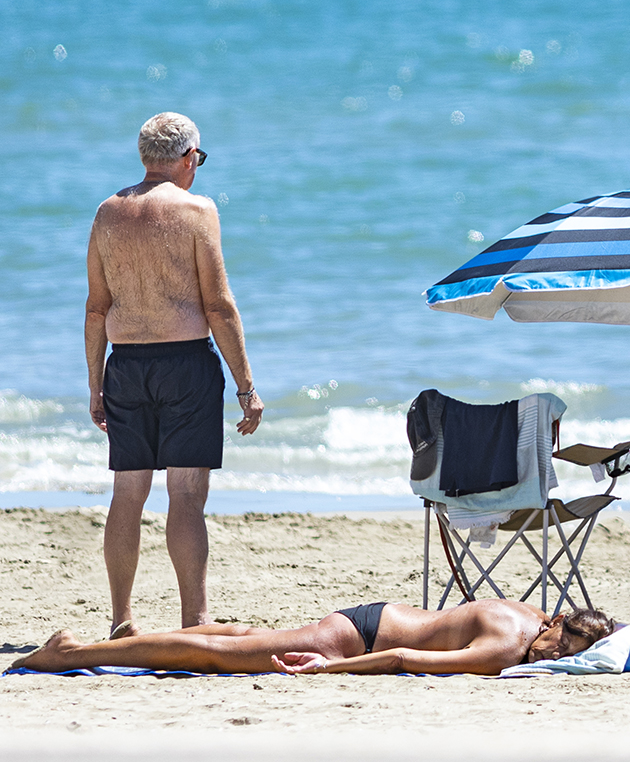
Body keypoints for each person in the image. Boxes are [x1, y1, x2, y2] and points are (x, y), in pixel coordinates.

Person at [85, 112, 264, 634]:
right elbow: (220, 305)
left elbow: (96, 308)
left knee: (127, 493)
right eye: (198, 159)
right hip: (186, 363)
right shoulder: (197, 210)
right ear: (188, 158)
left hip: (126, 364)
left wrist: (95, 383)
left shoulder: (107, 213)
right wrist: (246, 386)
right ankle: (195, 619)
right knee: (185, 495)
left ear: (145, 158)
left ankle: (122, 620)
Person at [9, 600, 614, 676]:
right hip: (355, 641)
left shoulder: (527, 612)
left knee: (247, 633)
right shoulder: (506, 651)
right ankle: (73, 653)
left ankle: (140, 635)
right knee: (223, 656)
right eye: (558, 649)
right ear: (557, 630)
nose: (550, 658)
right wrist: (324, 671)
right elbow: (402, 658)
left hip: (368, 617)